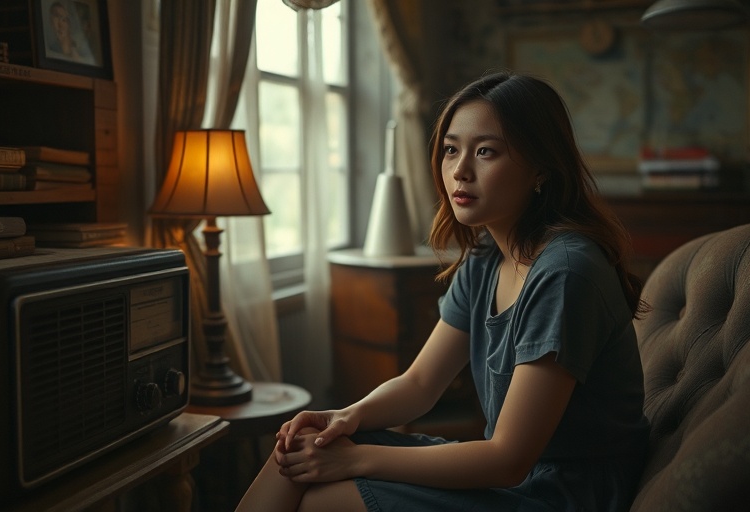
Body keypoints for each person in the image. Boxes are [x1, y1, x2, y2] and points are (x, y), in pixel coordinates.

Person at [236, 71, 650, 512]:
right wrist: (346, 417)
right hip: (515, 476)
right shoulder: (486, 258)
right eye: (451, 150)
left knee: (326, 497)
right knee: (304, 447)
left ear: (541, 170)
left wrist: (357, 459)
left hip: (564, 494)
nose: (459, 170)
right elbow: (419, 384)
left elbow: (508, 458)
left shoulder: (566, 272)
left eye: (486, 151)